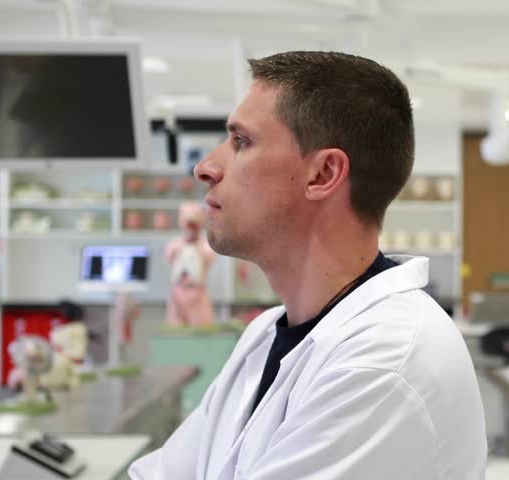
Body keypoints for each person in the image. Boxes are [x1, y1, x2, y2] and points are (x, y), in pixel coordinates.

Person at [128, 51, 487, 479]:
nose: (205, 167)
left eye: (241, 141)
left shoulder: (381, 364)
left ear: (322, 174)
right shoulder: (266, 335)